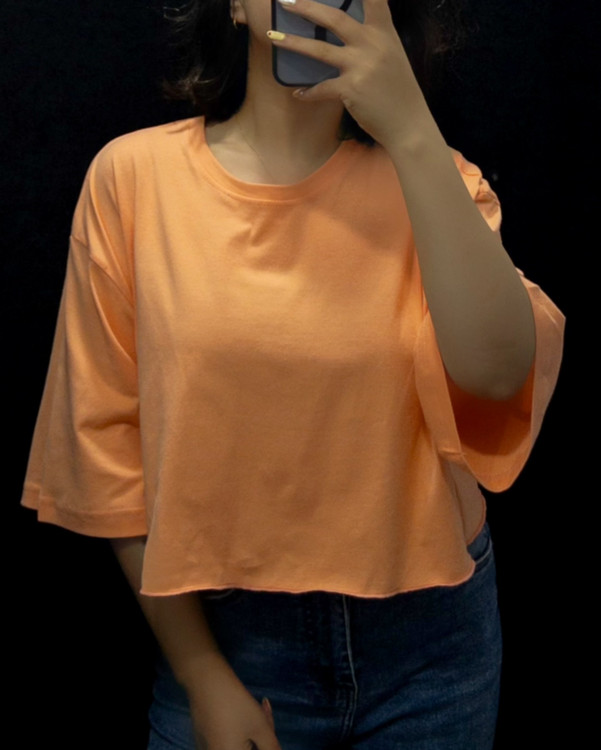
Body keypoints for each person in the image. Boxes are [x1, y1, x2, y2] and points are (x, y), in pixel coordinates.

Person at [21, 0, 564, 748]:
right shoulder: (133, 179)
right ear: (235, 6)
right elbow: (104, 454)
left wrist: (410, 130)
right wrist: (200, 672)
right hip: (229, 641)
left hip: (433, 644)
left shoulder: (436, 179)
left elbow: (497, 374)